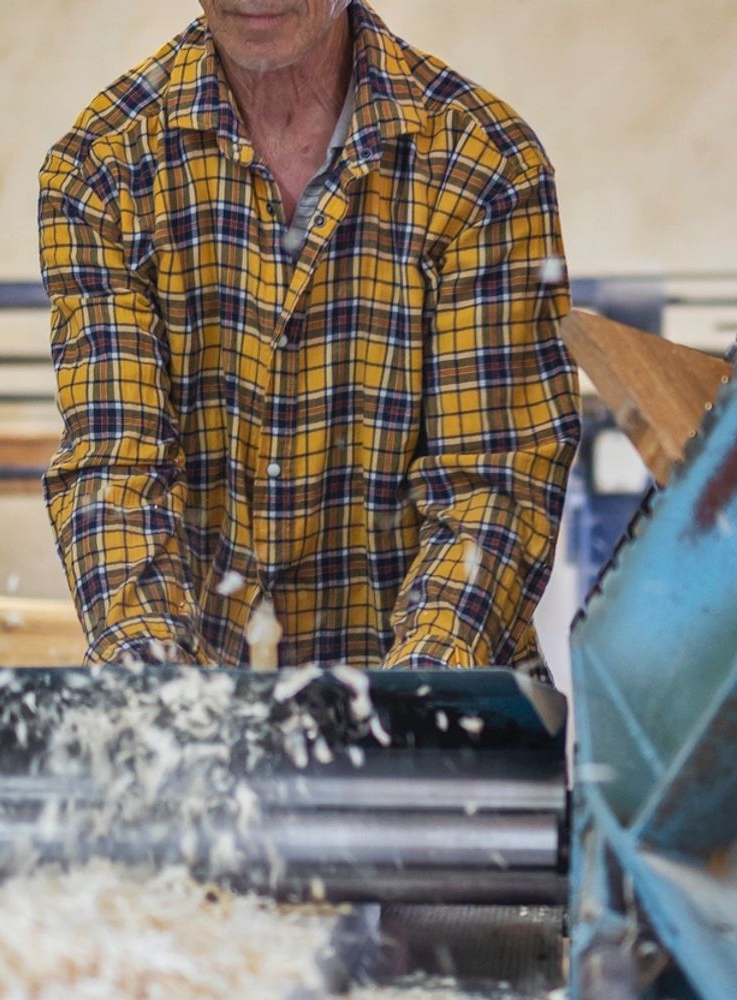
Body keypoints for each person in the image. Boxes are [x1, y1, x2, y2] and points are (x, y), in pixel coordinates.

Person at [38, 0, 580, 674]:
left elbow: (494, 484)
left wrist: (409, 704)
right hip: (210, 716)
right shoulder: (102, 170)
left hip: (445, 713)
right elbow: (116, 466)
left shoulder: (484, 166)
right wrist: (153, 690)